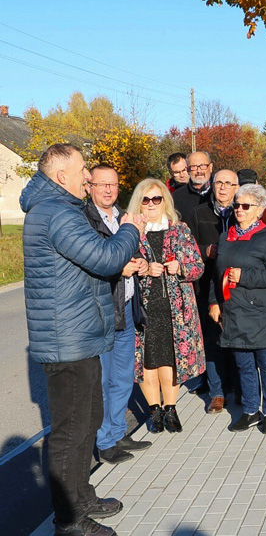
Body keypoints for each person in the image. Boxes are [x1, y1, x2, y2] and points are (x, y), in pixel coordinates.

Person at [20, 143, 144, 536]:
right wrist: (129, 228)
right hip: (67, 341)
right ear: (61, 177)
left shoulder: (59, 209)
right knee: (71, 432)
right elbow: (106, 258)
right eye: (82, 171)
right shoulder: (57, 212)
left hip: (79, 336)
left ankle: (82, 495)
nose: (88, 177)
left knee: (88, 420)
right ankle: (69, 521)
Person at [84, 165, 152, 465]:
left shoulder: (124, 217)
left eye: (113, 184)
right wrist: (119, 268)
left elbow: (130, 250)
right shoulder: (84, 220)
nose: (109, 190)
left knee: (123, 378)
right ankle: (104, 441)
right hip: (102, 312)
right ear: (90, 187)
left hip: (125, 306)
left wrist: (139, 263)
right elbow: (92, 264)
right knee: (104, 380)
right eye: (102, 185)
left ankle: (117, 431)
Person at [128, 179, 206, 434]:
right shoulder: (130, 232)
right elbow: (120, 264)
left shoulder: (180, 230)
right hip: (143, 306)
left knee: (170, 358)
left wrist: (180, 268)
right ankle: (155, 410)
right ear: (138, 202)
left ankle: (171, 408)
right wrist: (141, 270)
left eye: (156, 199)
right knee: (147, 361)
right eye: (145, 199)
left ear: (165, 201)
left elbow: (198, 267)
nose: (151, 204)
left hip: (176, 307)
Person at [210, 184, 266, 433]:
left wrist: (245, 276)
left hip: (260, 312)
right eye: (236, 205)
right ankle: (251, 410)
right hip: (233, 311)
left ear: (260, 209)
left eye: (245, 206)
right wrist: (213, 301)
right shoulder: (226, 236)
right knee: (243, 364)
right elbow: (216, 274)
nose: (239, 210)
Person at [186, 170, 239, 413]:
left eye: (229, 184)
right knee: (212, 340)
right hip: (207, 284)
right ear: (212, 185)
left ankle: (238, 388)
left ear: (237, 187)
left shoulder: (243, 210)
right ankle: (217, 392)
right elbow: (188, 245)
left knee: (238, 338)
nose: (223, 188)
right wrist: (206, 250)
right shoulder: (199, 213)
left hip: (238, 286)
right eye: (219, 183)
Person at [172, 151, 214, 223]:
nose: (199, 171)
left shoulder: (221, 193)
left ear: (210, 167)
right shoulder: (176, 197)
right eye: (194, 167)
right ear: (188, 169)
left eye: (203, 166)